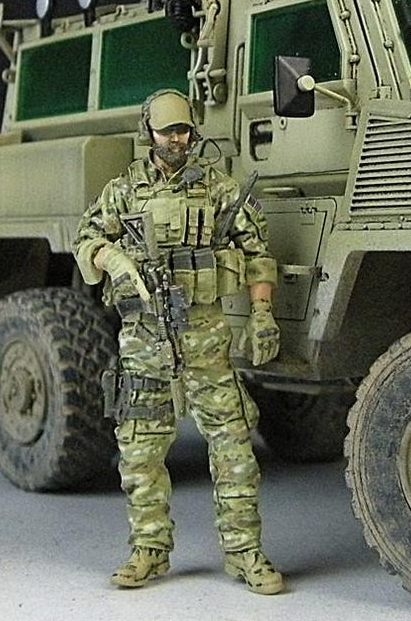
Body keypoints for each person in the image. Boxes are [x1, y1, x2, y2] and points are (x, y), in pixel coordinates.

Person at [73, 88, 284, 594]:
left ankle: (244, 552)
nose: (176, 140)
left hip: (206, 340)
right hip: (144, 339)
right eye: (167, 131)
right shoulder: (123, 191)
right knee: (140, 449)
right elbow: (85, 240)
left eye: (184, 131)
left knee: (234, 447)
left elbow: (257, 253)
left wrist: (261, 314)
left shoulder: (219, 189)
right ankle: (148, 549)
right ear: (149, 132)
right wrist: (111, 257)